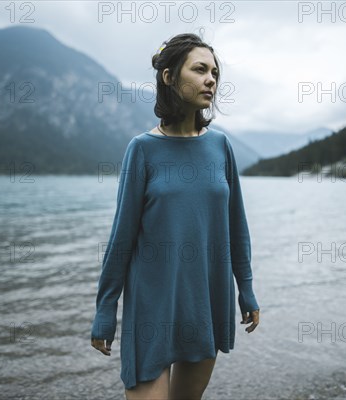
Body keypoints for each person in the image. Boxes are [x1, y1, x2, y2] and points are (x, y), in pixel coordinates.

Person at [90, 32, 260, 400]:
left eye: (215, 72)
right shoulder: (143, 150)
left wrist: (245, 289)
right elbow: (121, 238)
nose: (211, 79)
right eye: (200, 70)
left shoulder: (220, 146)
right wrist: (106, 308)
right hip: (152, 307)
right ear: (169, 77)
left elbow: (237, 227)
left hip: (206, 302)